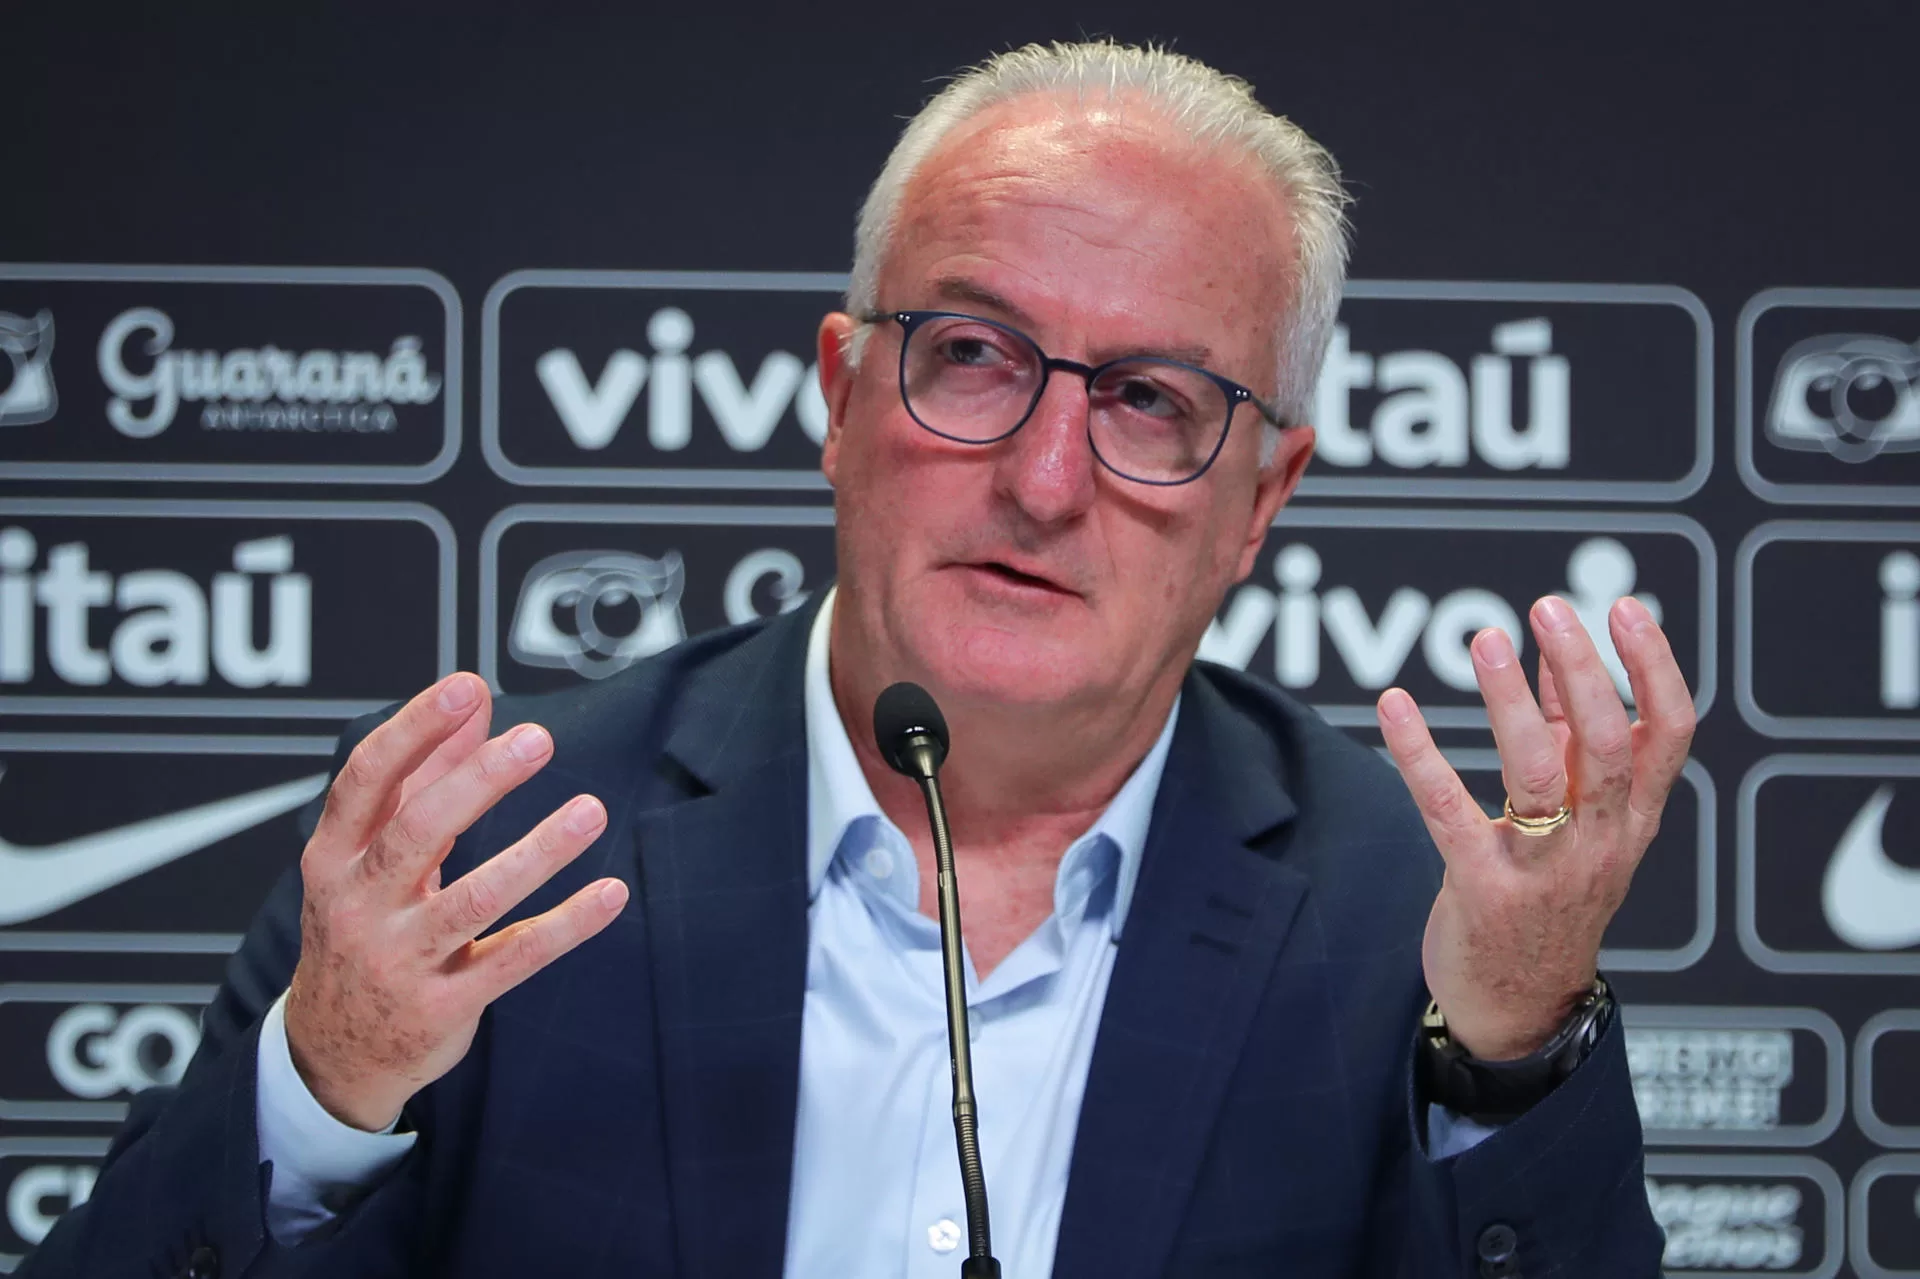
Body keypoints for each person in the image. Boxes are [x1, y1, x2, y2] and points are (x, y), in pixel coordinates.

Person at [22, 40, 1691, 1279]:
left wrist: (1515, 1047)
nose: (1043, 481)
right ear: (839, 395)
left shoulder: (1421, 909)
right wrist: (329, 1091)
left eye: (1150, 402)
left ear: (1263, 497)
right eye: (972, 356)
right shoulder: (490, 850)